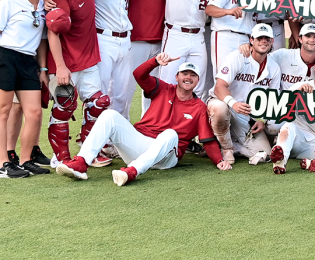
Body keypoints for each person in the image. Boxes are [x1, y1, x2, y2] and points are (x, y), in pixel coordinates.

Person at [56, 54, 230, 185]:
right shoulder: (163, 88)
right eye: (185, 73)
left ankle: (132, 172)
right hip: (140, 144)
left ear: (198, 81)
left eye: (193, 75)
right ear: (177, 77)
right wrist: (155, 61)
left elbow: (207, 140)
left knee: (170, 134)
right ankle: (81, 162)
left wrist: (219, 161)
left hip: (166, 157)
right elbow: (138, 74)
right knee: (109, 115)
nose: (188, 78)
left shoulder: (199, 107)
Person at [123, 0, 216, 95]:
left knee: (197, 86)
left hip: (199, 34)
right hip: (175, 33)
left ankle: (191, 120)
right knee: (167, 83)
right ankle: (163, 119)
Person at [45, 0, 111, 165]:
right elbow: (53, 32)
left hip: (89, 61)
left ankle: (87, 148)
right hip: (66, 64)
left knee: (99, 103)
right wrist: (61, 67)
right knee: (64, 106)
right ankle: (60, 157)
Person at [0, 0, 50, 178]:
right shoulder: (9, 2)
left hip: (28, 61)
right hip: (6, 57)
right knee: (3, 112)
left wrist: (42, 68)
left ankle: (25, 160)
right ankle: (4, 164)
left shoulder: (43, 7)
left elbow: (42, 41)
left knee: (34, 113)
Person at [207, 23, 281, 165]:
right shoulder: (238, 56)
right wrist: (232, 103)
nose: (263, 41)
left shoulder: (274, 67)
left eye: (267, 38)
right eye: (259, 38)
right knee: (219, 109)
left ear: (272, 41)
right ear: (251, 40)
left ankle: (223, 146)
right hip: (226, 104)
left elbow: (272, 99)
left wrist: (262, 120)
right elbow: (219, 87)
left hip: (246, 114)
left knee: (264, 153)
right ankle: (226, 149)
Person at [91, 0, 136, 119]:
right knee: (100, 90)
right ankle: (94, 134)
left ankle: (115, 138)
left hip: (125, 39)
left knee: (121, 93)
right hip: (103, 37)